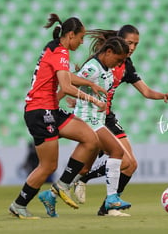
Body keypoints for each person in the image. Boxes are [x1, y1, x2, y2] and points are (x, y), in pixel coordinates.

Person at [70, 25, 168, 216]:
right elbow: (78, 81)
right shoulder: (103, 59)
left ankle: (108, 206)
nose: (133, 47)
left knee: (131, 164)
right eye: (130, 43)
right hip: (94, 117)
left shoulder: (126, 64)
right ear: (118, 41)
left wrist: (163, 95)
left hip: (108, 117)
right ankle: (75, 184)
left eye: (136, 44)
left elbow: (145, 91)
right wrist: (77, 100)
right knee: (118, 159)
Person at [8, 13, 108, 219]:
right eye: (80, 38)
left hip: (50, 109)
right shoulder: (60, 52)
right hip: (39, 111)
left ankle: (62, 186)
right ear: (70, 35)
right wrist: (93, 99)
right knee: (48, 166)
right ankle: (19, 205)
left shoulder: (54, 47)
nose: (81, 43)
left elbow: (65, 76)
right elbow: (66, 86)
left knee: (91, 139)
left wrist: (90, 84)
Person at [38, 36, 132, 217]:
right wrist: (52, 105)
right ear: (109, 52)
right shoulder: (93, 67)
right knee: (117, 152)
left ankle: (50, 195)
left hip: (97, 119)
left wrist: (82, 99)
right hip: (88, 120)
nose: (118, 64)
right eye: (118, 59)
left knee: (84, 168)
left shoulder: (106, 69)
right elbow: (68, 81)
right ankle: (112, 198)